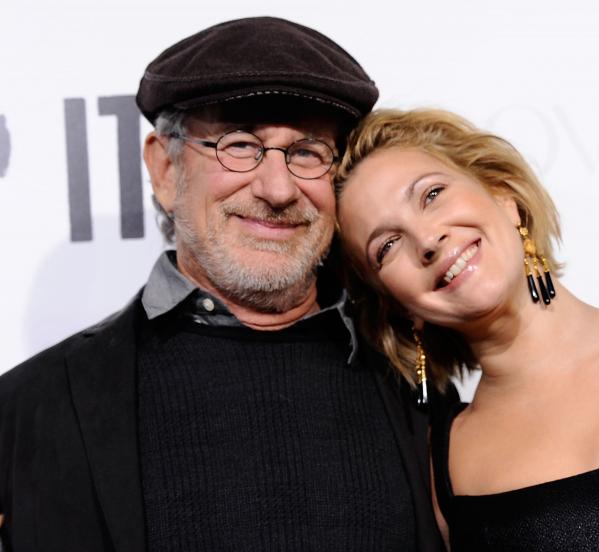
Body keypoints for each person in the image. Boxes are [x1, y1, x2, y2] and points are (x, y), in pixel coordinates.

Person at [0, 20, 453, 552]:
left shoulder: (415, 384)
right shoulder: (28, 411)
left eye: (307, 152)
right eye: (240, 145)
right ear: (165, 169)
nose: (278, 188)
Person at [334, 108, 599, 550]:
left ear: (504, 196)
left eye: (432, 194)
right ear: (396, 306)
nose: (427, 239)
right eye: (388, 246)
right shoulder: (443, 467)